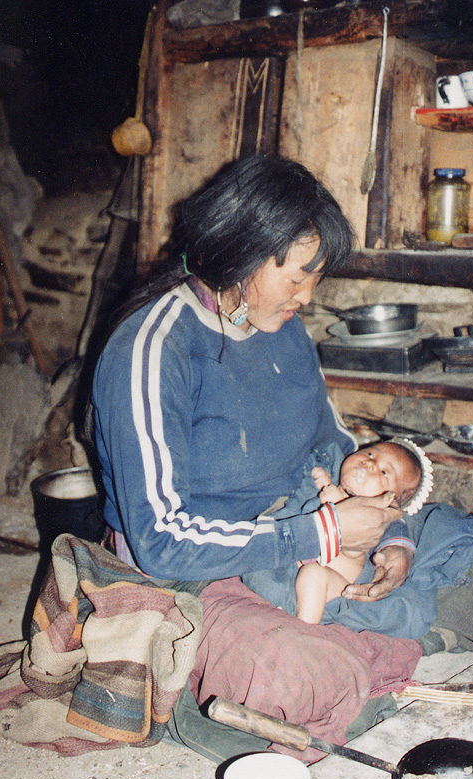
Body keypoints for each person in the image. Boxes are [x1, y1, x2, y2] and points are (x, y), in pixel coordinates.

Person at [90, 155, 400, 590]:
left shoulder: (283, 328)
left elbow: (334, 444)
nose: (307, 299)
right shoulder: (153, 349)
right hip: (193, 567)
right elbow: (160, 543)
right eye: (296, 280)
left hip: (294, 531)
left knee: (463, 560)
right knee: (305, 655)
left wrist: (389, 532)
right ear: (239, 258)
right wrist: (323, 533)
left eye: (317, 280)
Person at [294, 439, 434, 623]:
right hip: (294, 577)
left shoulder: (374, 522)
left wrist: (335, 506)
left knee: (313, 574)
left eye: (384, 472)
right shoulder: (334, 485)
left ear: (390, 501)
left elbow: (350, 543)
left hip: (331, 590)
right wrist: (319, 479)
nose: (370, 463)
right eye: (370, 453)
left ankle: (303, 629)